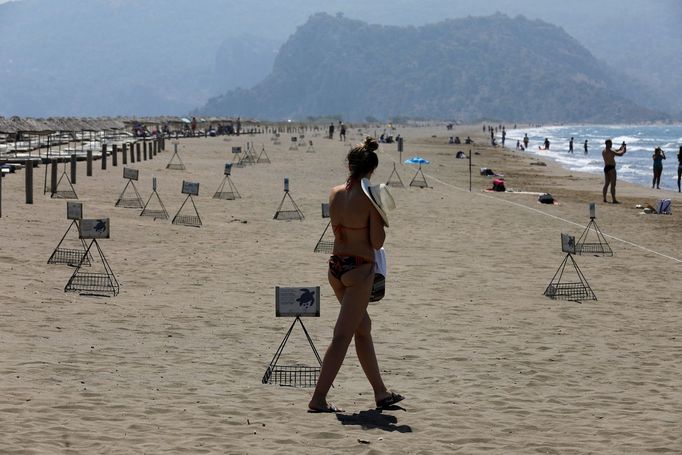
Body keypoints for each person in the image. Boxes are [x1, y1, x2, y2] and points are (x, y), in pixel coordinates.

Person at [309, 137, 404, 413]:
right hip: (358, 270)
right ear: (371, 170)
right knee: (342, 336)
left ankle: (380, 393)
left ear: (350, 166)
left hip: (336, 267)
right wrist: (381, 215)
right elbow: (376, 242)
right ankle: (318, 399)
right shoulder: (370, 200)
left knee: (363, 329)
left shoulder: (334, 193)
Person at [602, 139, 626, 203]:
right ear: (607, 144)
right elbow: (620, 154)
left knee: (606, 184)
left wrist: (621, 148)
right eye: (610, 143)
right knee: (613, 184)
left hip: (606, 167)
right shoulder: (610, 151)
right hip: (611, 168)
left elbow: (616, 151)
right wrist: (623, 149)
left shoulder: (603, 151)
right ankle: (614, 199)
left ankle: (604, 198)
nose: (611, 144)